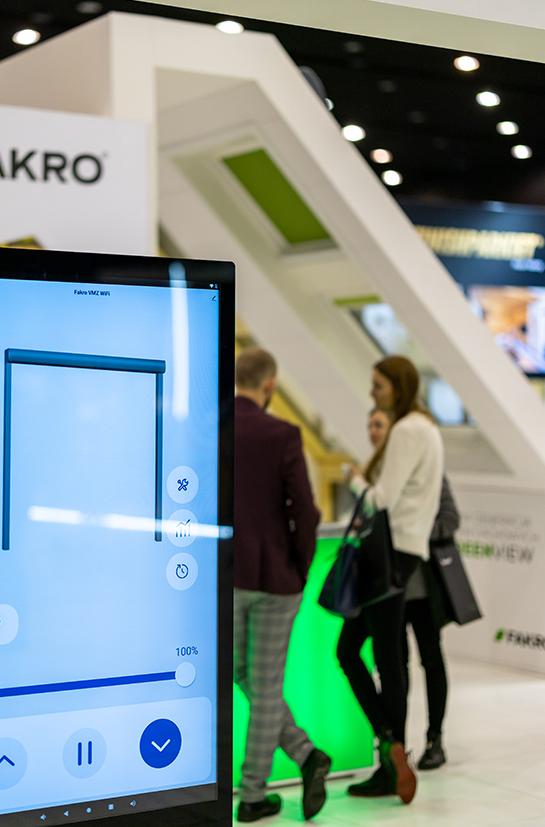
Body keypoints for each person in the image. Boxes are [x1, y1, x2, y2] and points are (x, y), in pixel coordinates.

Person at [338, 356, 443, 805]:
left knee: (362, 653)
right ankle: (390, 749)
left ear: (397, 387)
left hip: (387, 553)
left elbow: (381, 499)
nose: (372, 392)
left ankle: (389, 749)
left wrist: (355, 479)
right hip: (406, 552)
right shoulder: (429, 429)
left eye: (378, 385)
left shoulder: (407, 430)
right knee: (386, 656)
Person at [233, 347, 332, 822]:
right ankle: (270, 781)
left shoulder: (211, 427)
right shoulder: (283, 434)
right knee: (264, 683)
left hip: (226, 576)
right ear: (270, 385)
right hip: (276, 578)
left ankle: (281, 771)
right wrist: (301, 567)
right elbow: (305, 511)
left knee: (244, 674)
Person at [367, 408, 460, 771]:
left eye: (380, 425)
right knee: (394, 666)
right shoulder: (379, 473)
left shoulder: (425, 468)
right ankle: (397, 748)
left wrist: (415, 530)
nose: (374, 432)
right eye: (370, 425)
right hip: (390, 586)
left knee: (431, 659)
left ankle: (436, 738)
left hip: (422, 586)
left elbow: (450, 519)